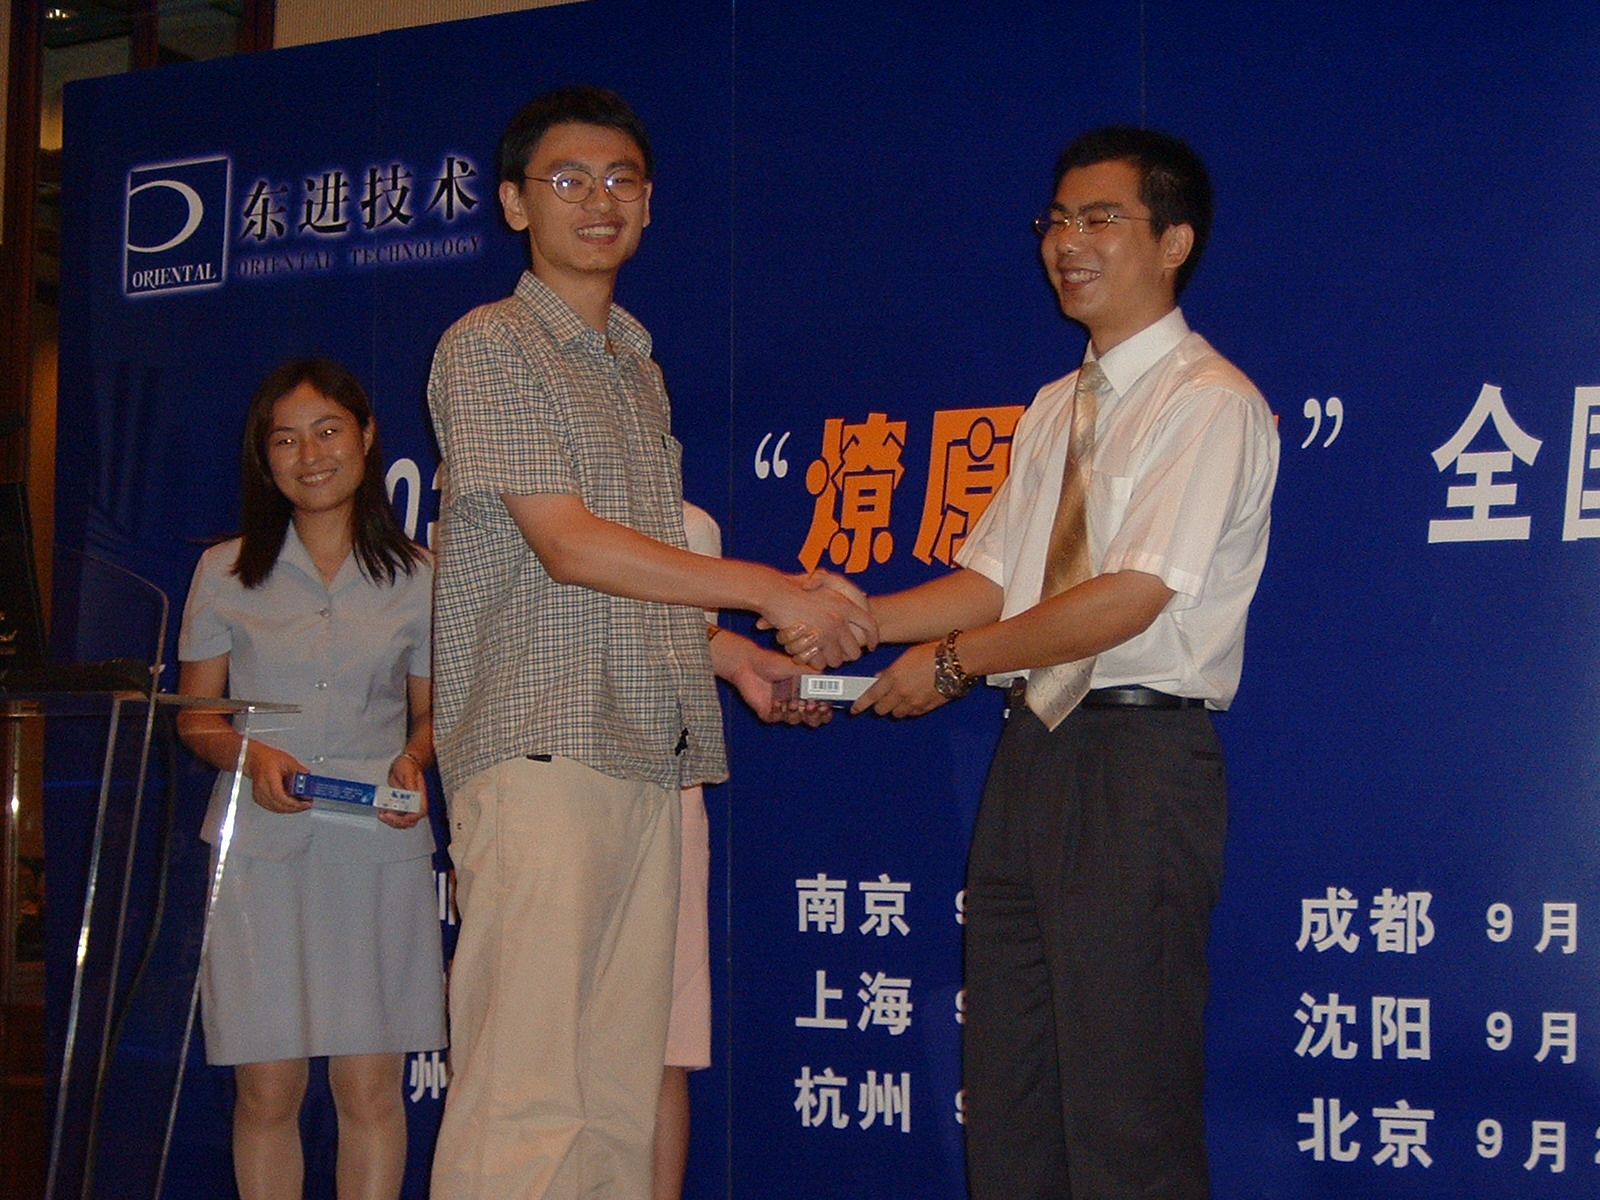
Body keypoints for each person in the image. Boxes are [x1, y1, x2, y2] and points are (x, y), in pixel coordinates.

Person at [789, 126, 1279, 1198]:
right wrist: (858, 621)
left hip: (1137, 764)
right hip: (1033, 756)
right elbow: (999, 580)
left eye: (1100, 218)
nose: (1066, 242)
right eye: (1056, 219)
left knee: (1125, 1109)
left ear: (1174, 242)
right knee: (1010, 1098)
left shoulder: (1207, 402)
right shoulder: (1058, 406)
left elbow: (1128, 595)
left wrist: (953, 665)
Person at [425, 85, 873, 1200]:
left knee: (618, 1095)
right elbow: (569, 545)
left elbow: (627, 582)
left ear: (650, 203)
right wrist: (771, 591)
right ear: (514, 203)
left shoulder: (635, 364)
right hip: (538, 752)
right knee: (526, 1092)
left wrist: (734, 657)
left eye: (622, 178)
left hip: (643, 754)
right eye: (568, 179)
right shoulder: (489, 345)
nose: (600, 200)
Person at [175, 358, 445, 1200]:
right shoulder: (225, 571)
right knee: (267, 1090)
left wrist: (413, 759)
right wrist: (250, 755)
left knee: (369, 1088)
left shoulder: (419, 574)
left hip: (376, 842)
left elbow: (433, 714)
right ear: (266, 460)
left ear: (366, 437)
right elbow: (197, 718)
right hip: (259, 850)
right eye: (286, 440)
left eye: (328, 431)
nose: (311, 455)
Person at [652, 502, 832, 1200]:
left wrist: (742, 660)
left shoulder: (692, 527)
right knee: (540, 1052)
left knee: (658, 1049)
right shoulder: (519, 487)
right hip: (548, 789)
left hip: (665, 794)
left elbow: (672, 641)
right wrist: (771, 593)